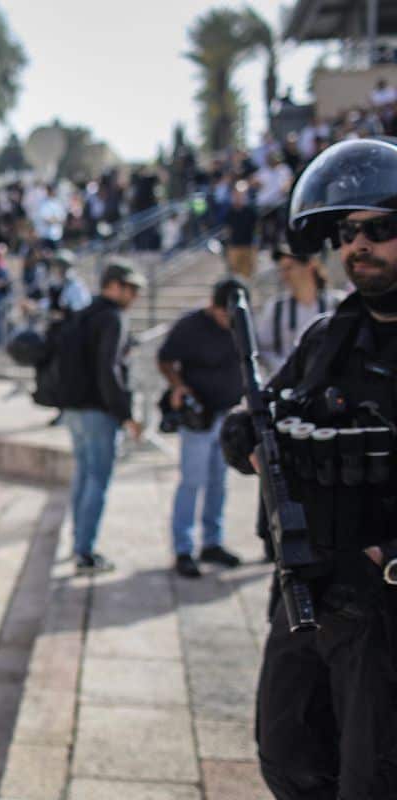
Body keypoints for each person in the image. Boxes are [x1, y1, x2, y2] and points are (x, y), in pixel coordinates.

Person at [221, 136, 397, 799]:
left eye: (379, 229)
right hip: (310, 588)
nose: (360, 246)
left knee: (372, 777)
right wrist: (248, 439)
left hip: (385, 602)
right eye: (348, 233)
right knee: (289, 756)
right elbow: (250, 422)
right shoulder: (328, 338)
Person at [158, 278, 247, 578]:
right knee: (192, 481)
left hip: (229, 415)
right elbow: (165, 359)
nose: (227, 321)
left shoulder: (242, 324)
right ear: (213, 306)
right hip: (199, 417)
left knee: (218, 482)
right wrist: (179, 386)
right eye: (224, 315)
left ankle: (212, 542)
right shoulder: (190, 326)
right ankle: (183, 548)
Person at [61, 261, 145, 573]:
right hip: (98, 412)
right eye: (130, 288)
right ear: (114, 286)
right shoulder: (113, 317)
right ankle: (84, 552)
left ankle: (79, 542)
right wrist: (126, 415)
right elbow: (108, 370)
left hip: (74, 409)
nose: (134, 295)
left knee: (84, 476)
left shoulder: (85, 312)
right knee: (97, 479)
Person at [255, 246, 341, 374]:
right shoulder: (276, 307)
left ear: (310, 265)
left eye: (289, 268)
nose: (285, 275)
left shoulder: (336, 303)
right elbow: (262, 347)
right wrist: (281, 366)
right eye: (281, 270)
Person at [225, 184, 260, 279]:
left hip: (248, 245)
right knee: (234, 272)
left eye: (240, 195)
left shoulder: (250, 211)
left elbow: (257, 227)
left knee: (247, 272)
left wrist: (256, 242)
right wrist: (229, 244)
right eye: (236, 195)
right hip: (234, 245)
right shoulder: (230, 212)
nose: (238, 198)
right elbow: (228, 229)